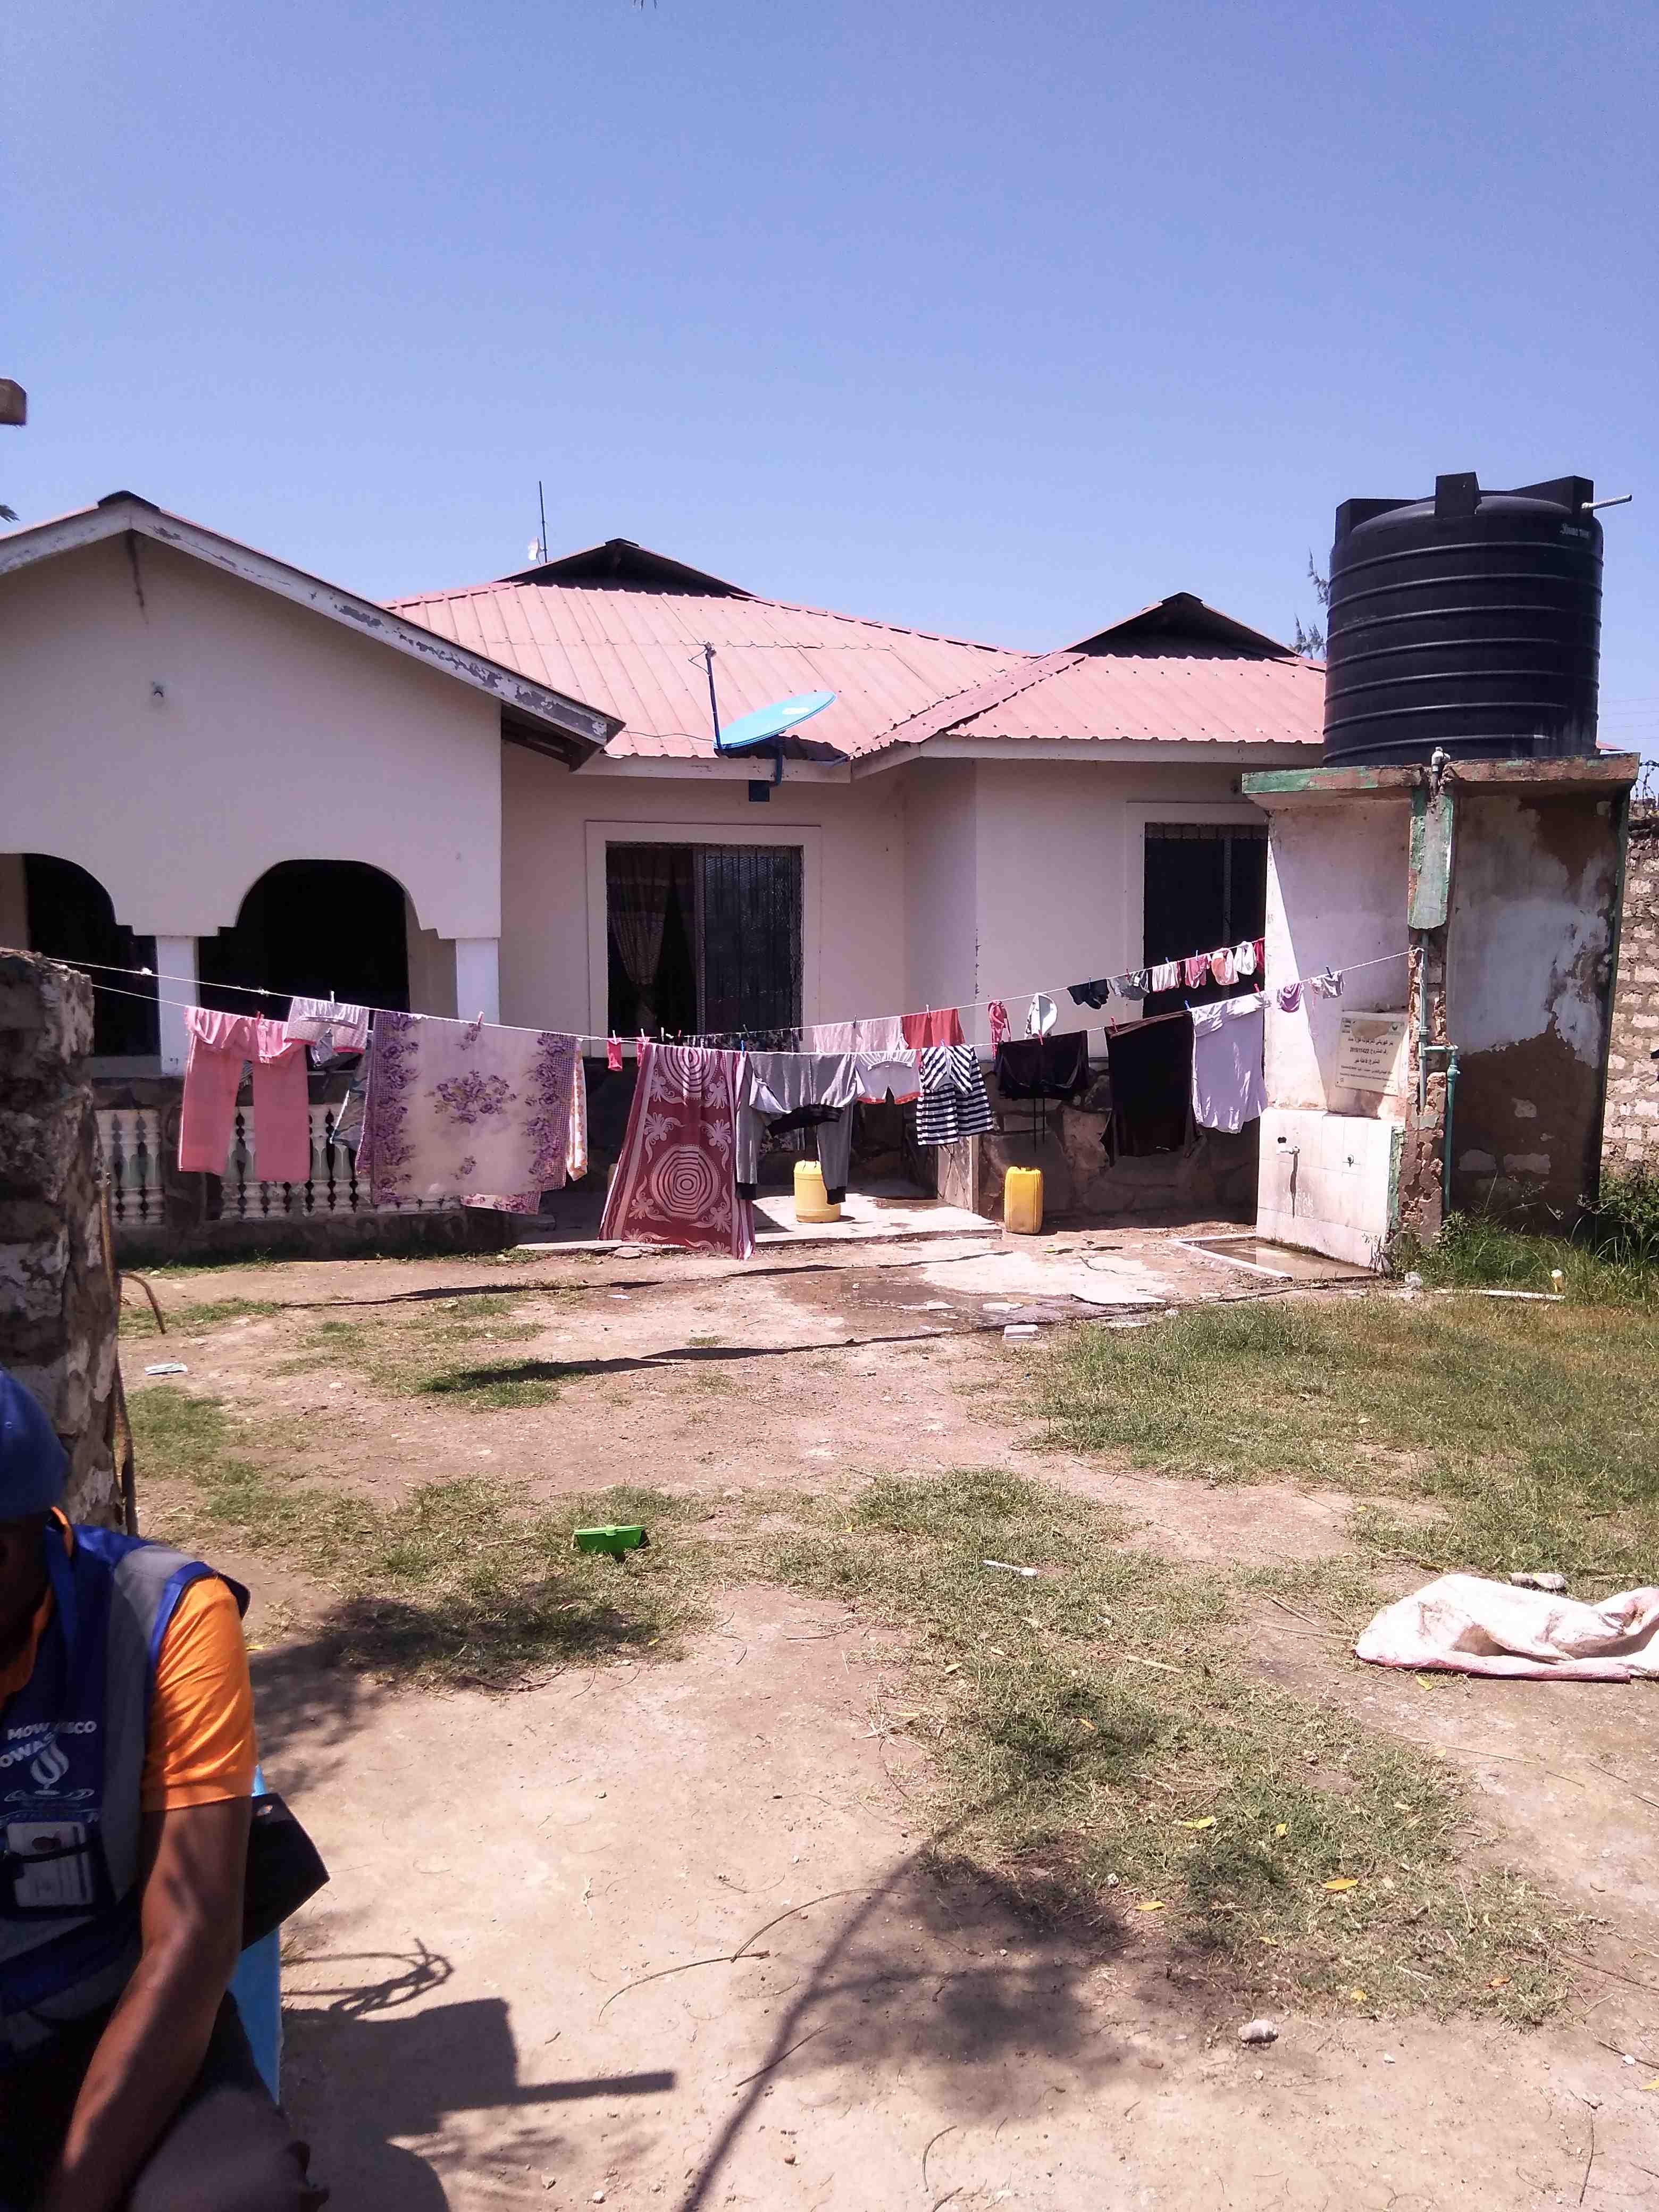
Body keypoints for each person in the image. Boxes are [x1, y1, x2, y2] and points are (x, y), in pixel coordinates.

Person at [0, 1370, 323, 2209]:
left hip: (107, 2019)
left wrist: (72, 2199)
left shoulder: (164, 1614)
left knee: (237, 2197)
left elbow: (191, 1939)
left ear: (37, 1530)